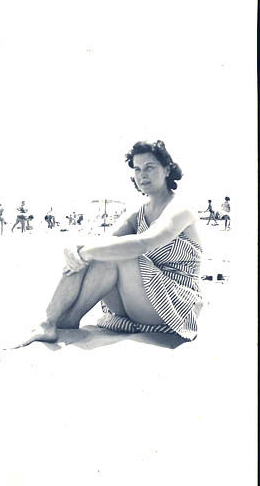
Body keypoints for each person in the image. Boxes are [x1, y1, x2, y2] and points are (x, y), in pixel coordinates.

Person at [18, 140, 202, 347]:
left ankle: (63, 320)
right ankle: (53, 322)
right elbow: (104, 242)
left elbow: (144, 243)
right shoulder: (139, 213)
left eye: (150, 167)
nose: (142, 175)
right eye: (137, 169)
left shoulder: (180, 209)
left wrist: (87, 251)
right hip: (139, 300)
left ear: (167, 169)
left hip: (174, 306)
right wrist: (76, 248)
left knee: (116, 254)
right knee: (101, 252)